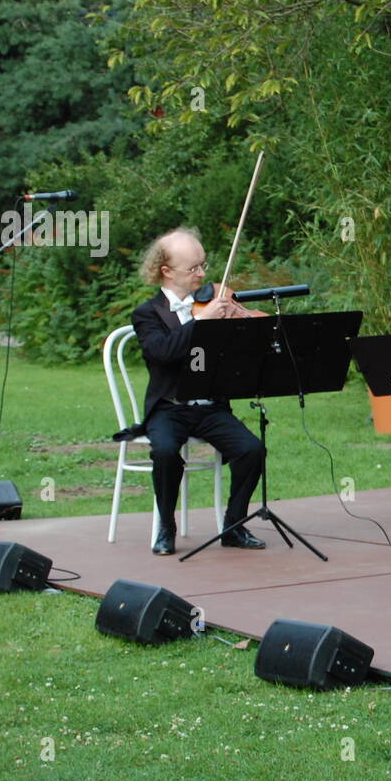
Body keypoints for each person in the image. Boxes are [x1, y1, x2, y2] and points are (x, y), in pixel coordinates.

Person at [130, 226, 266, 555]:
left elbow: (233, 358)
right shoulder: (147, 314)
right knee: (164, 452)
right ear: (166, 272)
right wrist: (201, 322)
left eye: (203, 265)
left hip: (210, 407)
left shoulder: (213, 305)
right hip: (168, 407)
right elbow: (162, 352)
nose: (202, 274)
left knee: (252, 450)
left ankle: (234, 525)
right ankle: (166, 526)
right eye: (193, 268)